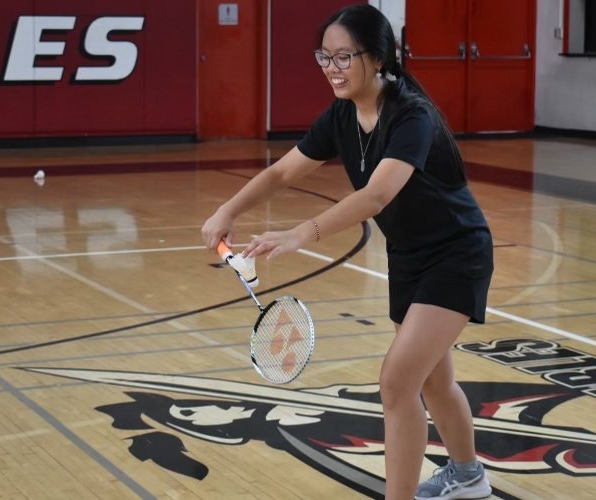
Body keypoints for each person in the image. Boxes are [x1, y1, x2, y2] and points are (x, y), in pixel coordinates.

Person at [201, 4, 494, 499]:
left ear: (377, 58)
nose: (331, 68)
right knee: (432, 382)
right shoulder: (340, 115)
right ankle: (468, 478)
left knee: (397, 382)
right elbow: (281, 173)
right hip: (408, 255)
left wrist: (300, 233)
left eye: (343, 57)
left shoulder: (412, 117)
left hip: (456, 253)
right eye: (324, 57)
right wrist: (228, 209)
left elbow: (377, 195)